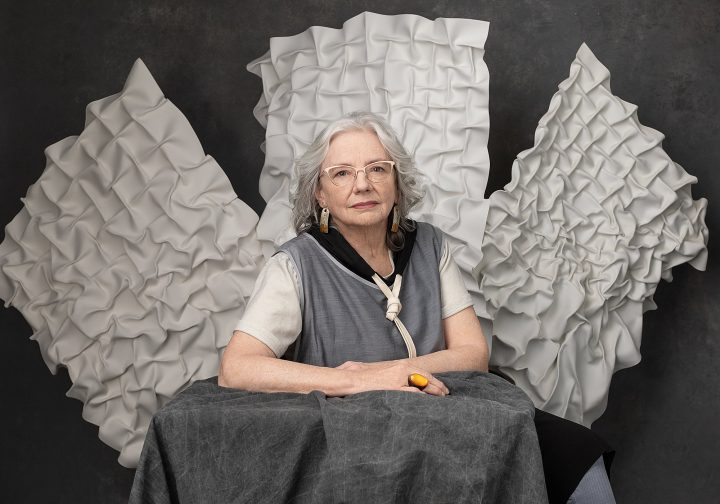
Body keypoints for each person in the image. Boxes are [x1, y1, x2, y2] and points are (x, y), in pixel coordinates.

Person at [219, 111, 614, 504]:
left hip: (448, 406)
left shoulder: (429, 245)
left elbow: (472, 354)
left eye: (377, 168)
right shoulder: (295, 264)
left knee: (577, 453)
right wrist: (357, 381)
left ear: (396, 182)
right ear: (319, 194)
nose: (362, 185)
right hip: (354, 429)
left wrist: (395, 372)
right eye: (341, 173)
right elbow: (237, 368)